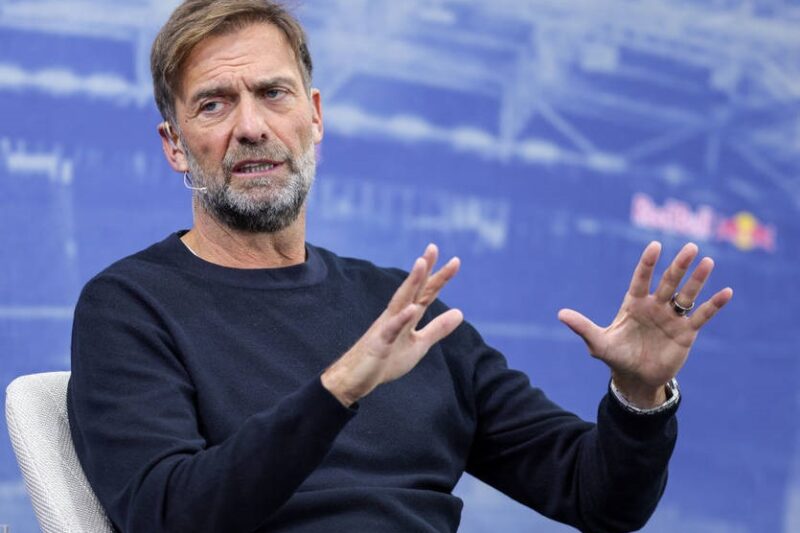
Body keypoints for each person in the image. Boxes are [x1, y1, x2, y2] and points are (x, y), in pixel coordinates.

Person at [67, 1, 733, 532]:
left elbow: (598, 498)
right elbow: (167, 514)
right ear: (175, 145)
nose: (251, 126)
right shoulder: (129, 306)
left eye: (273, 93)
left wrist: (638, 397)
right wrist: (338, 390)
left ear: (314, 116)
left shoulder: (405, 312)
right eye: (214, 103)